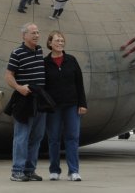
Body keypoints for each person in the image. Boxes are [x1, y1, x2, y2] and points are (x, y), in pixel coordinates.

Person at [5, 23, 47, 182]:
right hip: (24, 100)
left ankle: (29, 170)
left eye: (38, 32)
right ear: (24, 35)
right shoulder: (17, 53)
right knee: (21, 136)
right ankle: (17, 171)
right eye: (33, 33)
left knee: (37, 136)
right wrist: (18, 87)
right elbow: (8, 75)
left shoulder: (39, 50)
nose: (36, 35)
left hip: (40, 100)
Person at [43, 31, 87, 182]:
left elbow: (79, 83)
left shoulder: (71, 60)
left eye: (62, 41)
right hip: (53, 107)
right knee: (53, 139)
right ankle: (54, 170)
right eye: (57, 40)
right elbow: (43, 86)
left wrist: (82, 103)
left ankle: (74, 171)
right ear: (50, 43)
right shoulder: (45, 62)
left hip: (71, 105)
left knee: (72, 137)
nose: (60, 43)